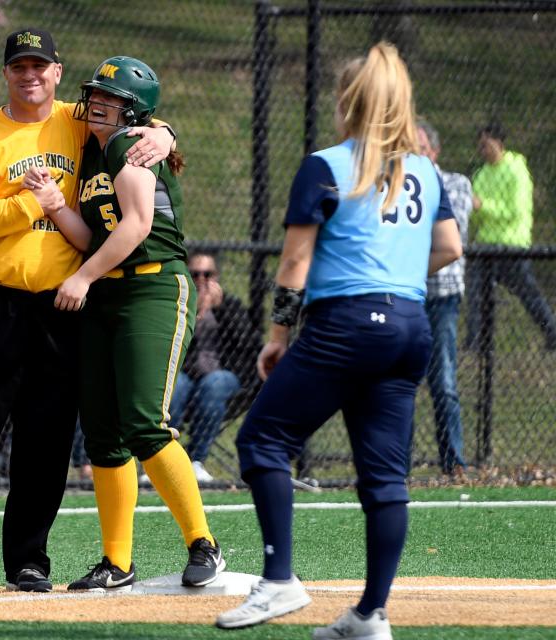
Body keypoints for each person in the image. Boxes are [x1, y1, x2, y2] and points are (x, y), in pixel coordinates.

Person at [0, 28, 176, 594]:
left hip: (62, 305)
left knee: (45, 440)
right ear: (6, 74)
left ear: (56, 71)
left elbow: (137, 118)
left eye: (40, 66)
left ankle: (28, 561)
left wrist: (164, 136)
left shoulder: (77, 120)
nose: (31, 75)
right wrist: (30, 202)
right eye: (19, 66)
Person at [215, 43, 462, 639]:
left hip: (346, 325)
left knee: (263, 439)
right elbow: (451, 248)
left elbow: (295, 261)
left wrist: (277, 336)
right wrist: (393, 276)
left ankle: (279, 580)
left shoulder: (326, 165)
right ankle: (370, 616)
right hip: (410, 327)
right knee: (385, 479)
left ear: (346, 103)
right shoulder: (425, 171)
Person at [24, 55, 225, 592]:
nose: (97, 104)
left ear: (134, 111)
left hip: (150, 286)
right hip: (110, 291)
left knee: (144, 422)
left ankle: (204, 544)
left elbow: (136, 226)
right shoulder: (95, 150)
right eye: (96, 95)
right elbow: (94, 236)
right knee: (105, 436)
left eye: (111, 100)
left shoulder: (125, 143)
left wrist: (83, 279)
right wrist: (53, 204)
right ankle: (117, 562)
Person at [466, 121, 556, 350]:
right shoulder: (481, 174)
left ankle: (552, 332)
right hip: (486, 245)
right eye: (480, 146)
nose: (483, 150)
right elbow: (477, 216)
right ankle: (477, 340)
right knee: (476, 293)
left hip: (511, 244)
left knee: (528, 294)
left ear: (499, 143)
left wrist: (483, 205)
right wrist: (473, 209)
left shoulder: (516, 170)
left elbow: (514, 211)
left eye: (486, 145)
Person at [166, 251, 254, 483]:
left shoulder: (231, 306)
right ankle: (165, 459)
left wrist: (220, 308)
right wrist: (196, 311)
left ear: (216, 276)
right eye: (195, 274)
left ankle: (196, 460)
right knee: (176, 386)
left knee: (214, 383)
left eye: (208, 274)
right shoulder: (177, 304)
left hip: (223, 376)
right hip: (186, 374)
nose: (202, 280)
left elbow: (247, 343)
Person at [417, 120, 471, 479]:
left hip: (442, 296)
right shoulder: (402, 185)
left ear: (434, 152)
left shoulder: (455, 183)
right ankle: (397, 467)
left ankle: (455, 465)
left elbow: (451, 239)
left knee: (445, 383)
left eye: (420, 148)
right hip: (410, 296)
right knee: (401, 384)